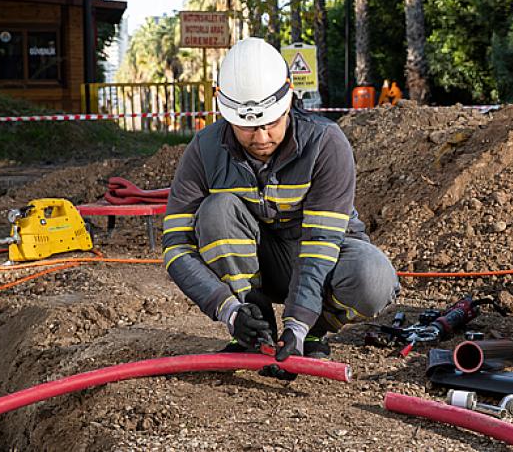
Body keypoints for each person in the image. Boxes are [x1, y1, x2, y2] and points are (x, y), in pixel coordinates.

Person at [162, 37, 399, 369]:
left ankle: (315, 332)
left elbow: (320, 242)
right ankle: (253, 329)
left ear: (289, 101)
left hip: (323, 259)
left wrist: (299, 323)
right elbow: (175, 245)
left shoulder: (325, 143)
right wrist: (229, 311)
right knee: (216, 211)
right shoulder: (204, 149)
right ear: (226, 112)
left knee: (374, 278)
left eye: (271, 122)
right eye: (247, 126)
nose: (261, 138)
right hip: (259, 263)